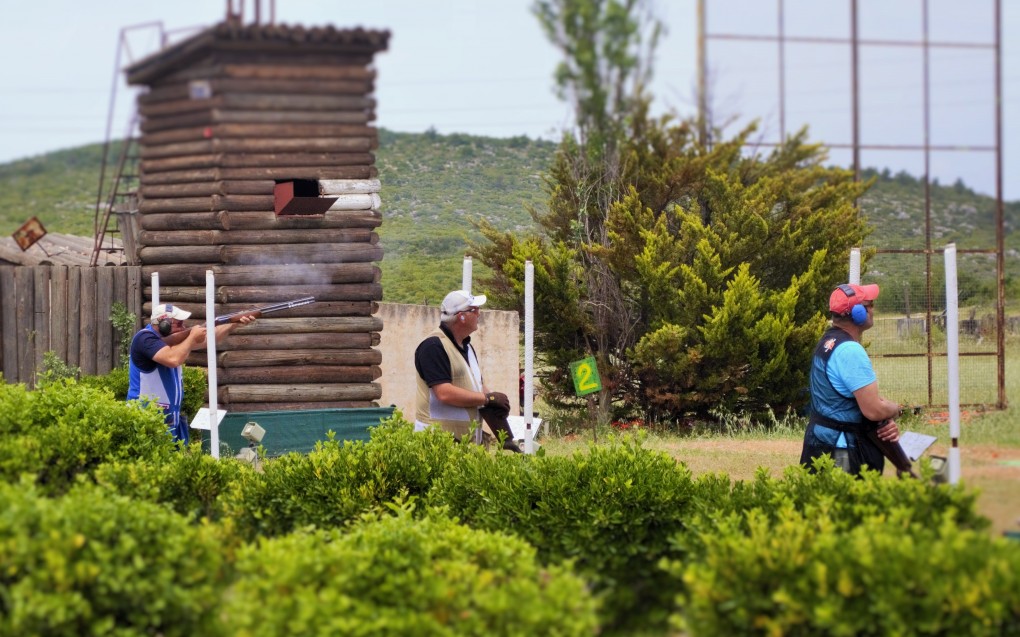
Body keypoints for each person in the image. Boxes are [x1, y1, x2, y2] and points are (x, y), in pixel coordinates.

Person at [800, 283, 904, 475]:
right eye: (869, 304)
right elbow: (873, 410)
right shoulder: (850, 350)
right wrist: (895, 409)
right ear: (858, 313)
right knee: (846, 501)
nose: (873, 309)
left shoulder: (828, 342)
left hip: (819, 442)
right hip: (842, 450)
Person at [127, 303, 254, 444]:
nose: (183, 327)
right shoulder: (144, 339)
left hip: (167, 418)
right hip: (145, 417)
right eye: (179, 323)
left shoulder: (170, 341)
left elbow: (212, 338)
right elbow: (173, 359)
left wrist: (233, 323)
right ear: (164, 324)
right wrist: (191, 337)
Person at [414, 289, 521, 452]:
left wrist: (504, 434)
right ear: (461, 316)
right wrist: (488, 399)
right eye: (474, 310)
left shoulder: (467, 347)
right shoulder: (433, 347)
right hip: (437, 445)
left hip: (464, 444)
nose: (479, 313)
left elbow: (478, 388)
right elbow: (444, 393)